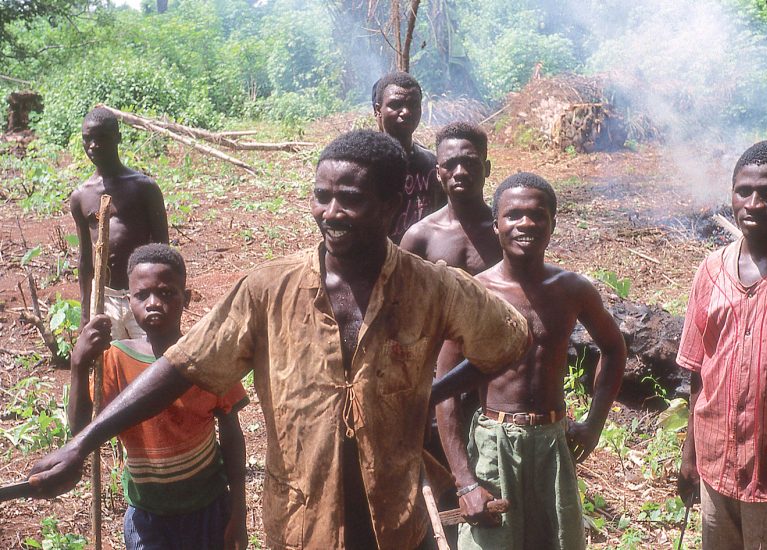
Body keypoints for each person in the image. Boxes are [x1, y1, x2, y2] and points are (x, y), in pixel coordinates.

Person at [28, 130, 530, 550]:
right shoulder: (268, 290)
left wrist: (428, 395)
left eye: (351, 199)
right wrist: (83, 442)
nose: (331, 212)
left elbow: (508, 340)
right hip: (299, 526)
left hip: (398, 528)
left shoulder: (433, 287)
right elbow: (183, 365)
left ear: (392, 205)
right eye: (322, 196)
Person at [436, 173, 626, 550]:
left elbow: (614, 349)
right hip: (494, 443)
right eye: (513, 215)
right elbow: (445, 393)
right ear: (496, 226)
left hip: (553, 445)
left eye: (538, 215)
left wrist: (594, 424)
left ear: (552, 223)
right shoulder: (475, 293)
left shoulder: (572, 289)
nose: (526, 224)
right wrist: (466, 482)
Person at [68, 244, 248, 549]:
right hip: (147, 515)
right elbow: (80, 432)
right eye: (142, 295)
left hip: (208, 507)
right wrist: (78, 365)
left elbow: (231, 434)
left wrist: (239, 510)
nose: (154, 303)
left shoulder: (206, 357)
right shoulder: (115, 361)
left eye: (167, 293)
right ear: (128, 301)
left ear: (186, 299)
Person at [677, 140, 767, 549]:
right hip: (717, 468)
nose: (753, 203)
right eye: (743, 191)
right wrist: (689, 454)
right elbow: (699, 372)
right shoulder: (711, 271)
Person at [71, 106, 168, 338]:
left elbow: (163, 249)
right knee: (110, 364)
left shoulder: (144, 188)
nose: (93, 145)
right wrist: (86, 313)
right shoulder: (81, 196)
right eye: (87, 139)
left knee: (151, 363)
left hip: (144, 294)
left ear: (118, 138)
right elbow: (85, 260)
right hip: (104, 297)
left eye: (101, 138)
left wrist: (165, 296)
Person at [401, 122, 502, 275]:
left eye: (470, 163)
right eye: (449, 164)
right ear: (437, 173)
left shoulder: (503, 232)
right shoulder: (420, 237)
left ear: (487, 168)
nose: (460, 172)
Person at [372, 72, 446, 242]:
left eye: (413, 104)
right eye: (396, 104)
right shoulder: (365, 166)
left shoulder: (431, 163)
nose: (406, 112)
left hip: (422, 263)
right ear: (378, 110)